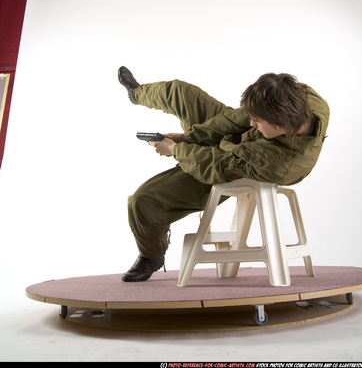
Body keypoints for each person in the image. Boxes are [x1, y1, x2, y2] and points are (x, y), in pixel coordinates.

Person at [117, 66, 329, 282]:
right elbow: (239, 119)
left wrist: (176, 149)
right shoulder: (302, 96)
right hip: (236, 144)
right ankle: (136, 94)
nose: (252, 123)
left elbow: (217, 164)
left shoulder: (276, 163)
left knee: (141, 202)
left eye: (257, 121)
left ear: (282, 126)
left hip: (232, 170)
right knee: (181, 92)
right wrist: (187, 136)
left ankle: (151, 255)